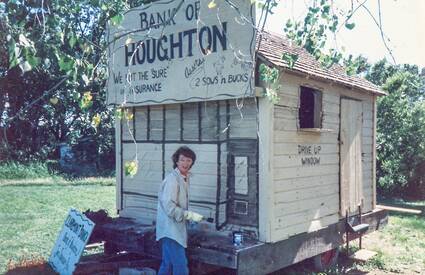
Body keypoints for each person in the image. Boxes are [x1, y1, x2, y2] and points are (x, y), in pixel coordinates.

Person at [156, 146, 204, 275]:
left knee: (168, 264)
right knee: (180, 266)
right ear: (176, 161)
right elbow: (169, 207)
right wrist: (187, 215)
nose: (185, 163)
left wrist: (188, 218)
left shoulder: (183, 177)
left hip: (172, 229)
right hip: (171, 231)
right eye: (182, 160)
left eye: (189, 160)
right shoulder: (172, 180)